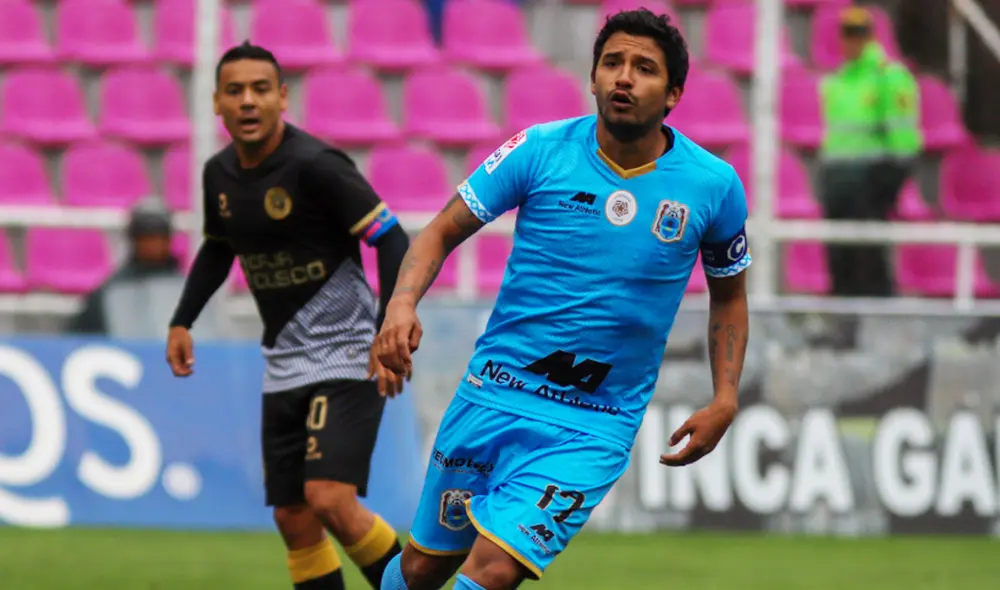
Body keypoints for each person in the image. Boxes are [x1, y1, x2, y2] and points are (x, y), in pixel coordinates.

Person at [375, 10, 751, 590]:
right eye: (612, 63)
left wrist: (726, 396)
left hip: (593, 423)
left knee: (495, 569)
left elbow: (729, 298)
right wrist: (401, 303)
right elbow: (440, 231)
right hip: (494, 393)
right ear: (594, 78)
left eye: (644, 68)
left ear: (673, 93)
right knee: (422, 568)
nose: (624, 78)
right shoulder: (539, 150)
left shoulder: (714, 186)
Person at [166, 42, 409, 590]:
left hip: (349, 354)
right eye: (234, 91)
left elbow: (392, 239)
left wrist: (386, 330)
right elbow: (218, 248)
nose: (247, 101)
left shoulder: (316, 167)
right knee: (293, 518)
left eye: (259, 89)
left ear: (281, 97)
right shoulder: (220, 175)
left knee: (328, 498)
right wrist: (183, 320)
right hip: (284, 364)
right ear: (216, 103)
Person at [818, 6, 923, 298]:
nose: (852, 41)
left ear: (871, 36)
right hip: (838, 179)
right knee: (840, 257)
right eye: (848, 34)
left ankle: (875, 320)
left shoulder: (888, 77)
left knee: (869, 256)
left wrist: (887, 182)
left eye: (859, 34)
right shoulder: (837, 81)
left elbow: (903, 138)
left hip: (870, 178)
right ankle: (843, 329)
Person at [68, 198, 183, 335]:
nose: (154, 244)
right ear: (134, 239)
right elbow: (78, 336)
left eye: (160, 236)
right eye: (146, 236)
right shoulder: (111, 292)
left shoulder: (184, 290)